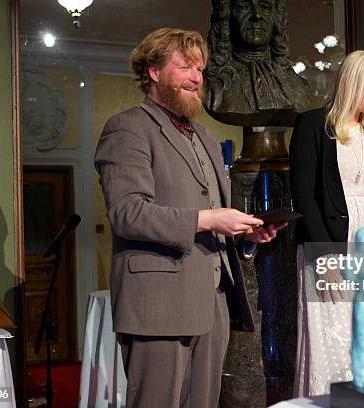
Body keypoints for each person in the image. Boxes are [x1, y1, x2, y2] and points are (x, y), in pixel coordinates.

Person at [94, 28, 285, 408]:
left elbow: (210, 216)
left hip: (212, 304)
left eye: (200, 69)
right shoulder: (127, 127)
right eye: (185, 67)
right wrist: (210, 219)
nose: (196, 78)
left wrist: (247, 236)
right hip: (157, 305)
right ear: (153, 71)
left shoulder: (207, 138)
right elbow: (128, 213)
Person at [289, 50, 364, 396]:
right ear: (352, 81)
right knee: (333, 339)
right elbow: (304, 197)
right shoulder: (311, 125)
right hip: (330, 246)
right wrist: (326, 258)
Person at [204, 0, 311, 125]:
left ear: (276, 16)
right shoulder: (215, 87)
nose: (257, 15)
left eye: (265, 7)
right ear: (227, 15)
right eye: (244, 7)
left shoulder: (299, 86)